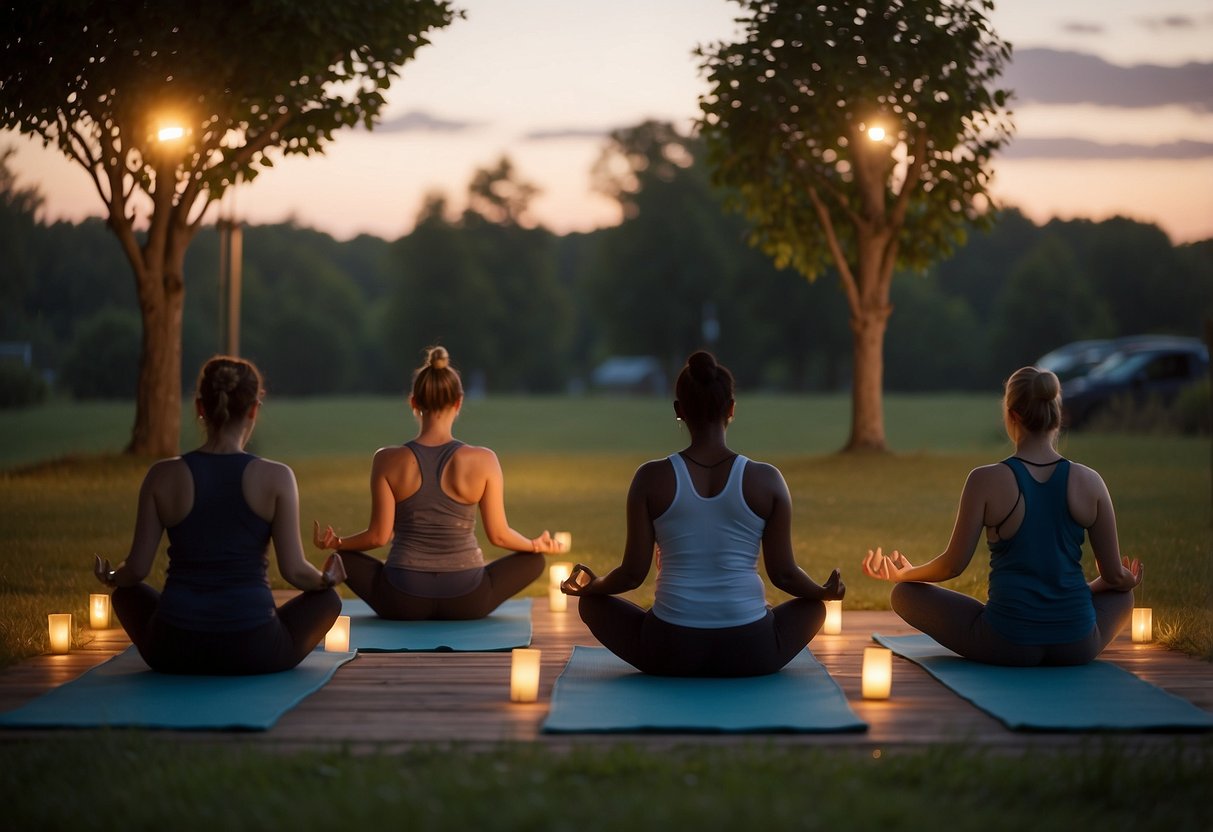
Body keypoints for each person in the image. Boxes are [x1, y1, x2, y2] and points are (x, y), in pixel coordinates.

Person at [560, 350, 845, 677]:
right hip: (753, 650)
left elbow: (631, 575)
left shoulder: (651, 478)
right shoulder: (766, 479)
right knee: (814, 608)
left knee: (592, 605)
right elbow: (784, 574)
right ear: (732, 408)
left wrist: (594, 586)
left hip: (670, 650)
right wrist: (823, 592)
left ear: (679, 410)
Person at [861, 366, 1142, 666]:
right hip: (1077, 643)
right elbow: (1113, 577)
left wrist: (905, 575)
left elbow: (953, 565)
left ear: (1013, 415)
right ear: (1057, 416)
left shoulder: (985, 480)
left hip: (1007, 643)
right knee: (1123, 597)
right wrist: (1126, 579)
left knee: (904, 595)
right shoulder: (1090, 481)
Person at [94, 356, 346, 675]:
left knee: (126, 593)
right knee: (329, 601)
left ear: (200, 407)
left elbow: (136, 570)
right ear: (254, 409)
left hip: (172, 649)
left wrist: (113, 578)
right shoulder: (277, 477)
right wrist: (326, 580)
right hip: (254, 649)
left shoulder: (162, 475)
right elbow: (295, 571)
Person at [312, 346, 564, 620]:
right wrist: (536, 545)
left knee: (343, 558)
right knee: (533, 561)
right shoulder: (485, 460)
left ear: (413, 402)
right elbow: (500, 536)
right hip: (468, 599)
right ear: (458, 402)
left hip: (401, 599)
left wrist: (337, 542)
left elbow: (378, 537)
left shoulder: (386, 459)